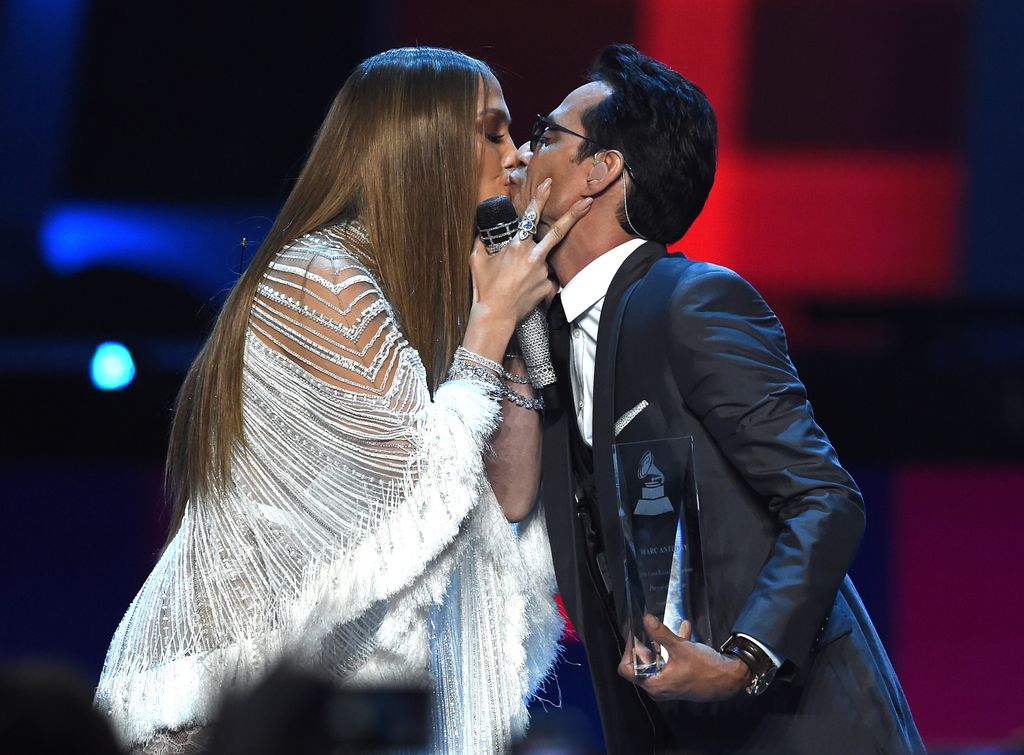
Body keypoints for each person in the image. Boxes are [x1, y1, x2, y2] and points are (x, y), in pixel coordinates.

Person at [95, 47, 591, 755]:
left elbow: (506, 497)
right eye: (493, 132)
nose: (516, 158)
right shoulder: (320, 277)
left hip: (319, 717)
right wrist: (488, 326)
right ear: (421, 145)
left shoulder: (436, 301)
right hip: (215, 716)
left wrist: (504, 325)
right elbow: (418, 493)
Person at [512, 43, 924, 754]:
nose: (522, 150)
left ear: (601, 171)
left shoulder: (692, 303)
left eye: (547, 134)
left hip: (799, 731)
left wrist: (743, 663)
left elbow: (824, 497)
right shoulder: (540, 331)